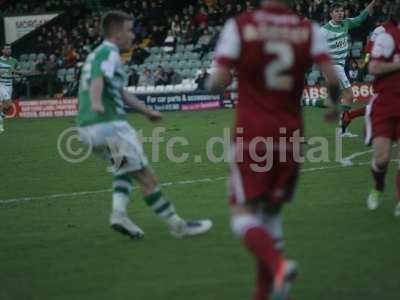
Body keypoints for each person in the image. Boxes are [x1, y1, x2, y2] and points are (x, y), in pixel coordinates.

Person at [207, 1, 340, 299]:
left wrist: (211, 82)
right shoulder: (310, 29)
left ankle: (278, 265)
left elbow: (218, 80)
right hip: (291, 134)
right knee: (271, 216)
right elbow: (332, 78)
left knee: (241, 214)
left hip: (253, 133)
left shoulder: (241, 26)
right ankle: (268, 293)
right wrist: (333, 104)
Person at [77, 11, 212, 239]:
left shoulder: (97, 54)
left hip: (88, 130)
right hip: (110, 126)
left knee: (123, 168)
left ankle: (119, 214)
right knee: (147, 179)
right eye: (130, 30)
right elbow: (98, 78)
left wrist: (147, 111)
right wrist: (97, 102)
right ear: (117, 33)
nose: (133, 35)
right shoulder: (108, 52)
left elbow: (120, 91)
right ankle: (178, 226)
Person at [321, 0, 376, 137]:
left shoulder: (346, 23)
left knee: (342, 99)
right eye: (337, 12)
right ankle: (304, 101)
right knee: (349, 96)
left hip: (340, 65)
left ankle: (342, 129)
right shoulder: (324, 31)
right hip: (333, 67)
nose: (340, 14)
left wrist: (372, 3)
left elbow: (360, 18)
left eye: (341, 11)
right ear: (331, 14)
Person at [365, 4, 400, 217]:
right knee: (382, 158)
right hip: (386, 103)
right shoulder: (385, 35)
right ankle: (378, 187)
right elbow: (373, 67)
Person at [0, 44, 18, 133]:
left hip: (9, 85)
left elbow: (16, 72)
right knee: (9, 103)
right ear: (2, 51)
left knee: (6, 107)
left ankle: (0, 125)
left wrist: (15, 74)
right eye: (6, 49)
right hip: (1, 85)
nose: (8, 50)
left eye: (10, 49)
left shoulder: (14, 61)